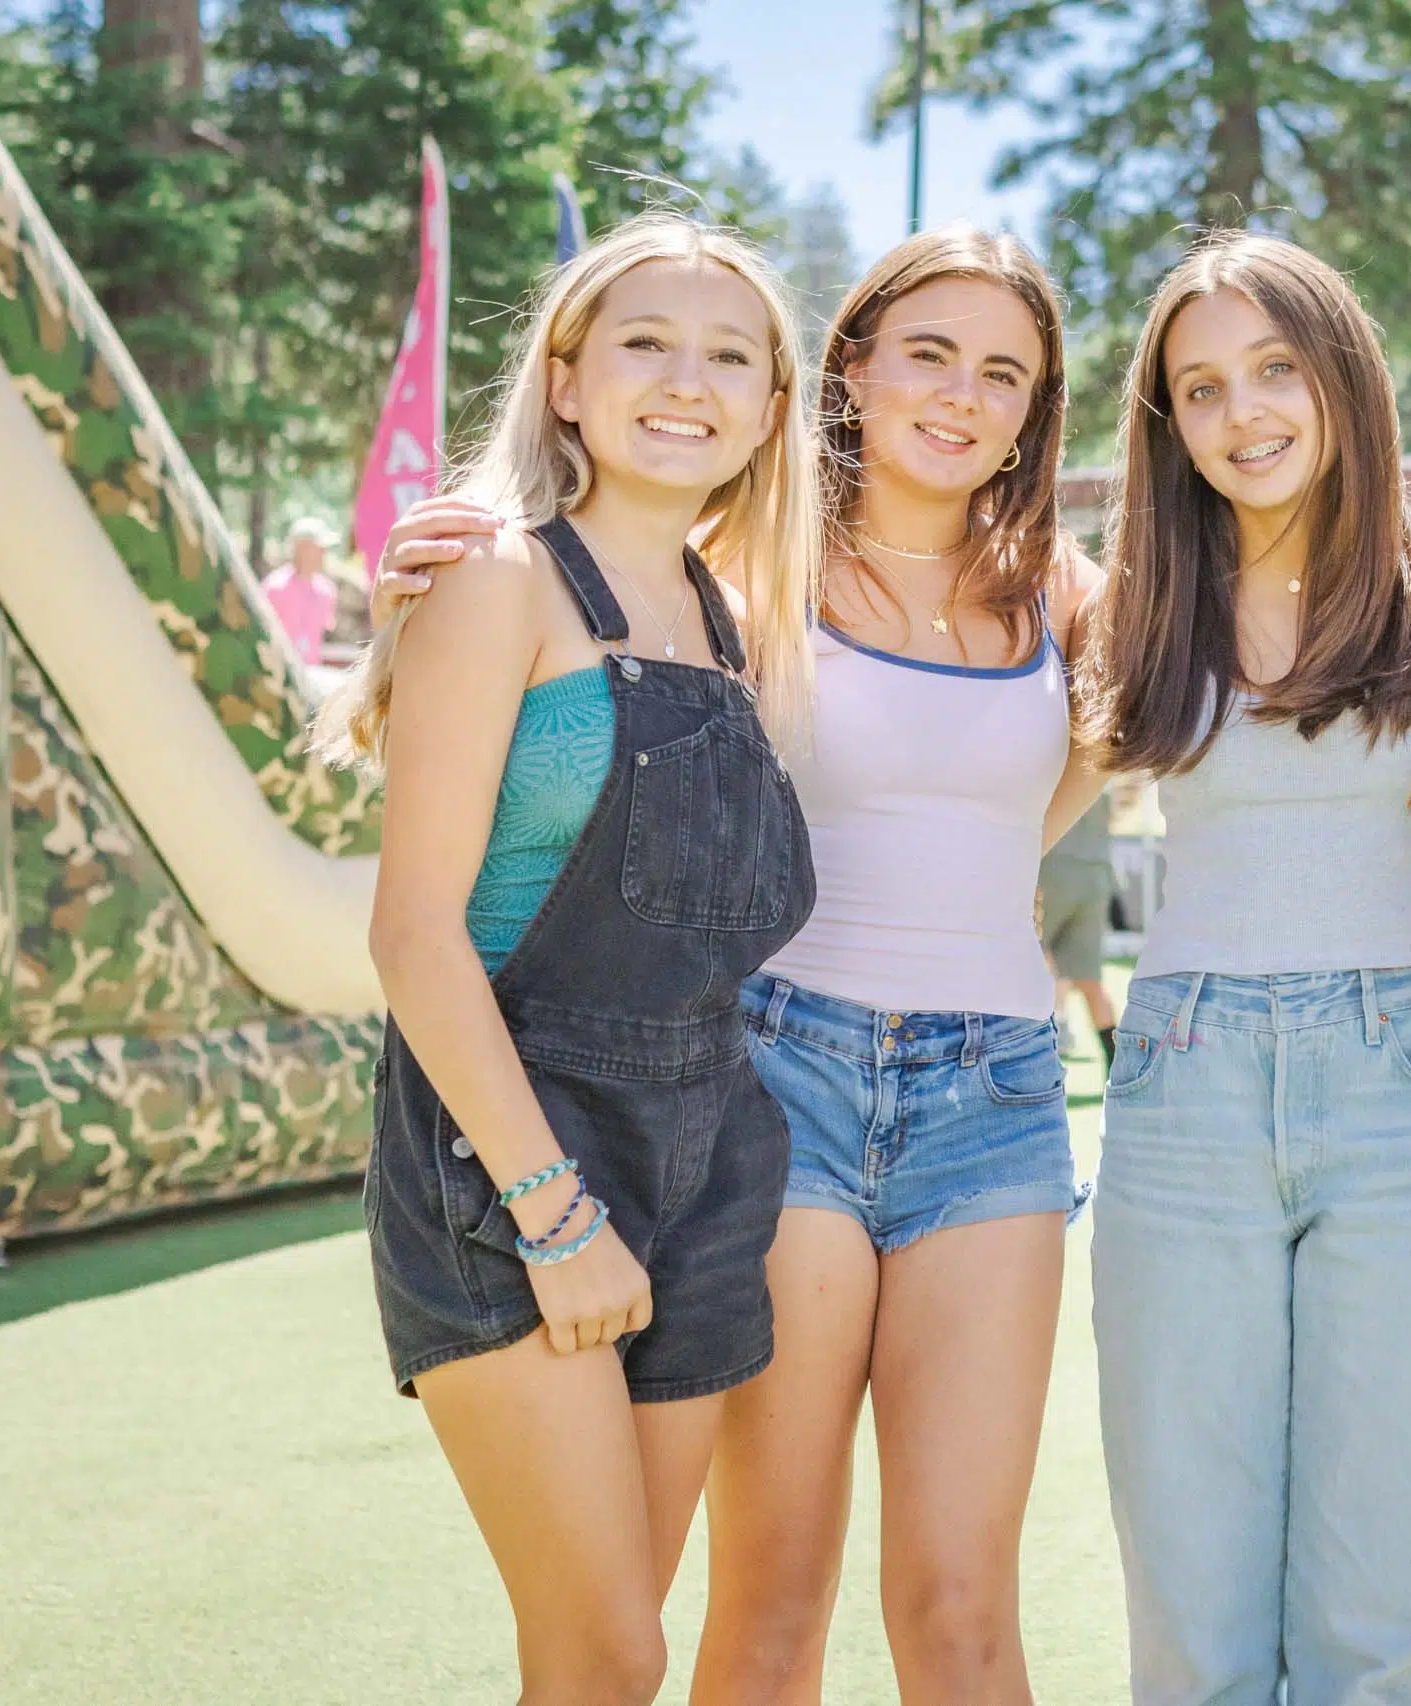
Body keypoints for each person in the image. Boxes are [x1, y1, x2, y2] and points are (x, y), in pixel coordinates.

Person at [373, 226, 1101, 1706]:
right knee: (654, 1634)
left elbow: (1044, 794)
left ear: (768, 401)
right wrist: (417, 583)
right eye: (928, 354)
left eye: (1004, 372)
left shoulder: (1022, 598)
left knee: (695, 1639)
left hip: (837, 1127)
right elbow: (423, 914)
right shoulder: (617, 572)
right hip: (682, 1109)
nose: (963, 396)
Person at [319, 213, 821, 1706]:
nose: (690, 380)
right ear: (566, 379)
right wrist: (552, 1209)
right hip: (509, 1157)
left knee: (609, 1657)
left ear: (774, 407)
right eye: (646, 343)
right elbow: (413, 934)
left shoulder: (737, 621)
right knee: (607, 1654)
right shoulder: (497, 582)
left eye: (732, 354)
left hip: (709, 1163)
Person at [1075, 232, 1411, 1706]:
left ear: (1342, 376)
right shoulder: (1134, 607)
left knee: (1375, 1622)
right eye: (1199, 388)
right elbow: (966, 821)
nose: (1242, 412)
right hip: (1185, 1091)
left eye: (1273, 368)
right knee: (1191, 1620)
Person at [1040, 787, 1120, 1063]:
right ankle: (1117, 1067)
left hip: (1051, 871)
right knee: (1090, 981)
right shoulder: (1105, 756)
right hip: (1095, 877)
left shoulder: (1049, 757)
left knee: (1025, 966)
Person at [263, 517, 342, 666]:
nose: (324, 553)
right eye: (319, 548)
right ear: (301, 548)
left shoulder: (327, 591)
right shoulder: (274, 587)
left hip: (310, 675)